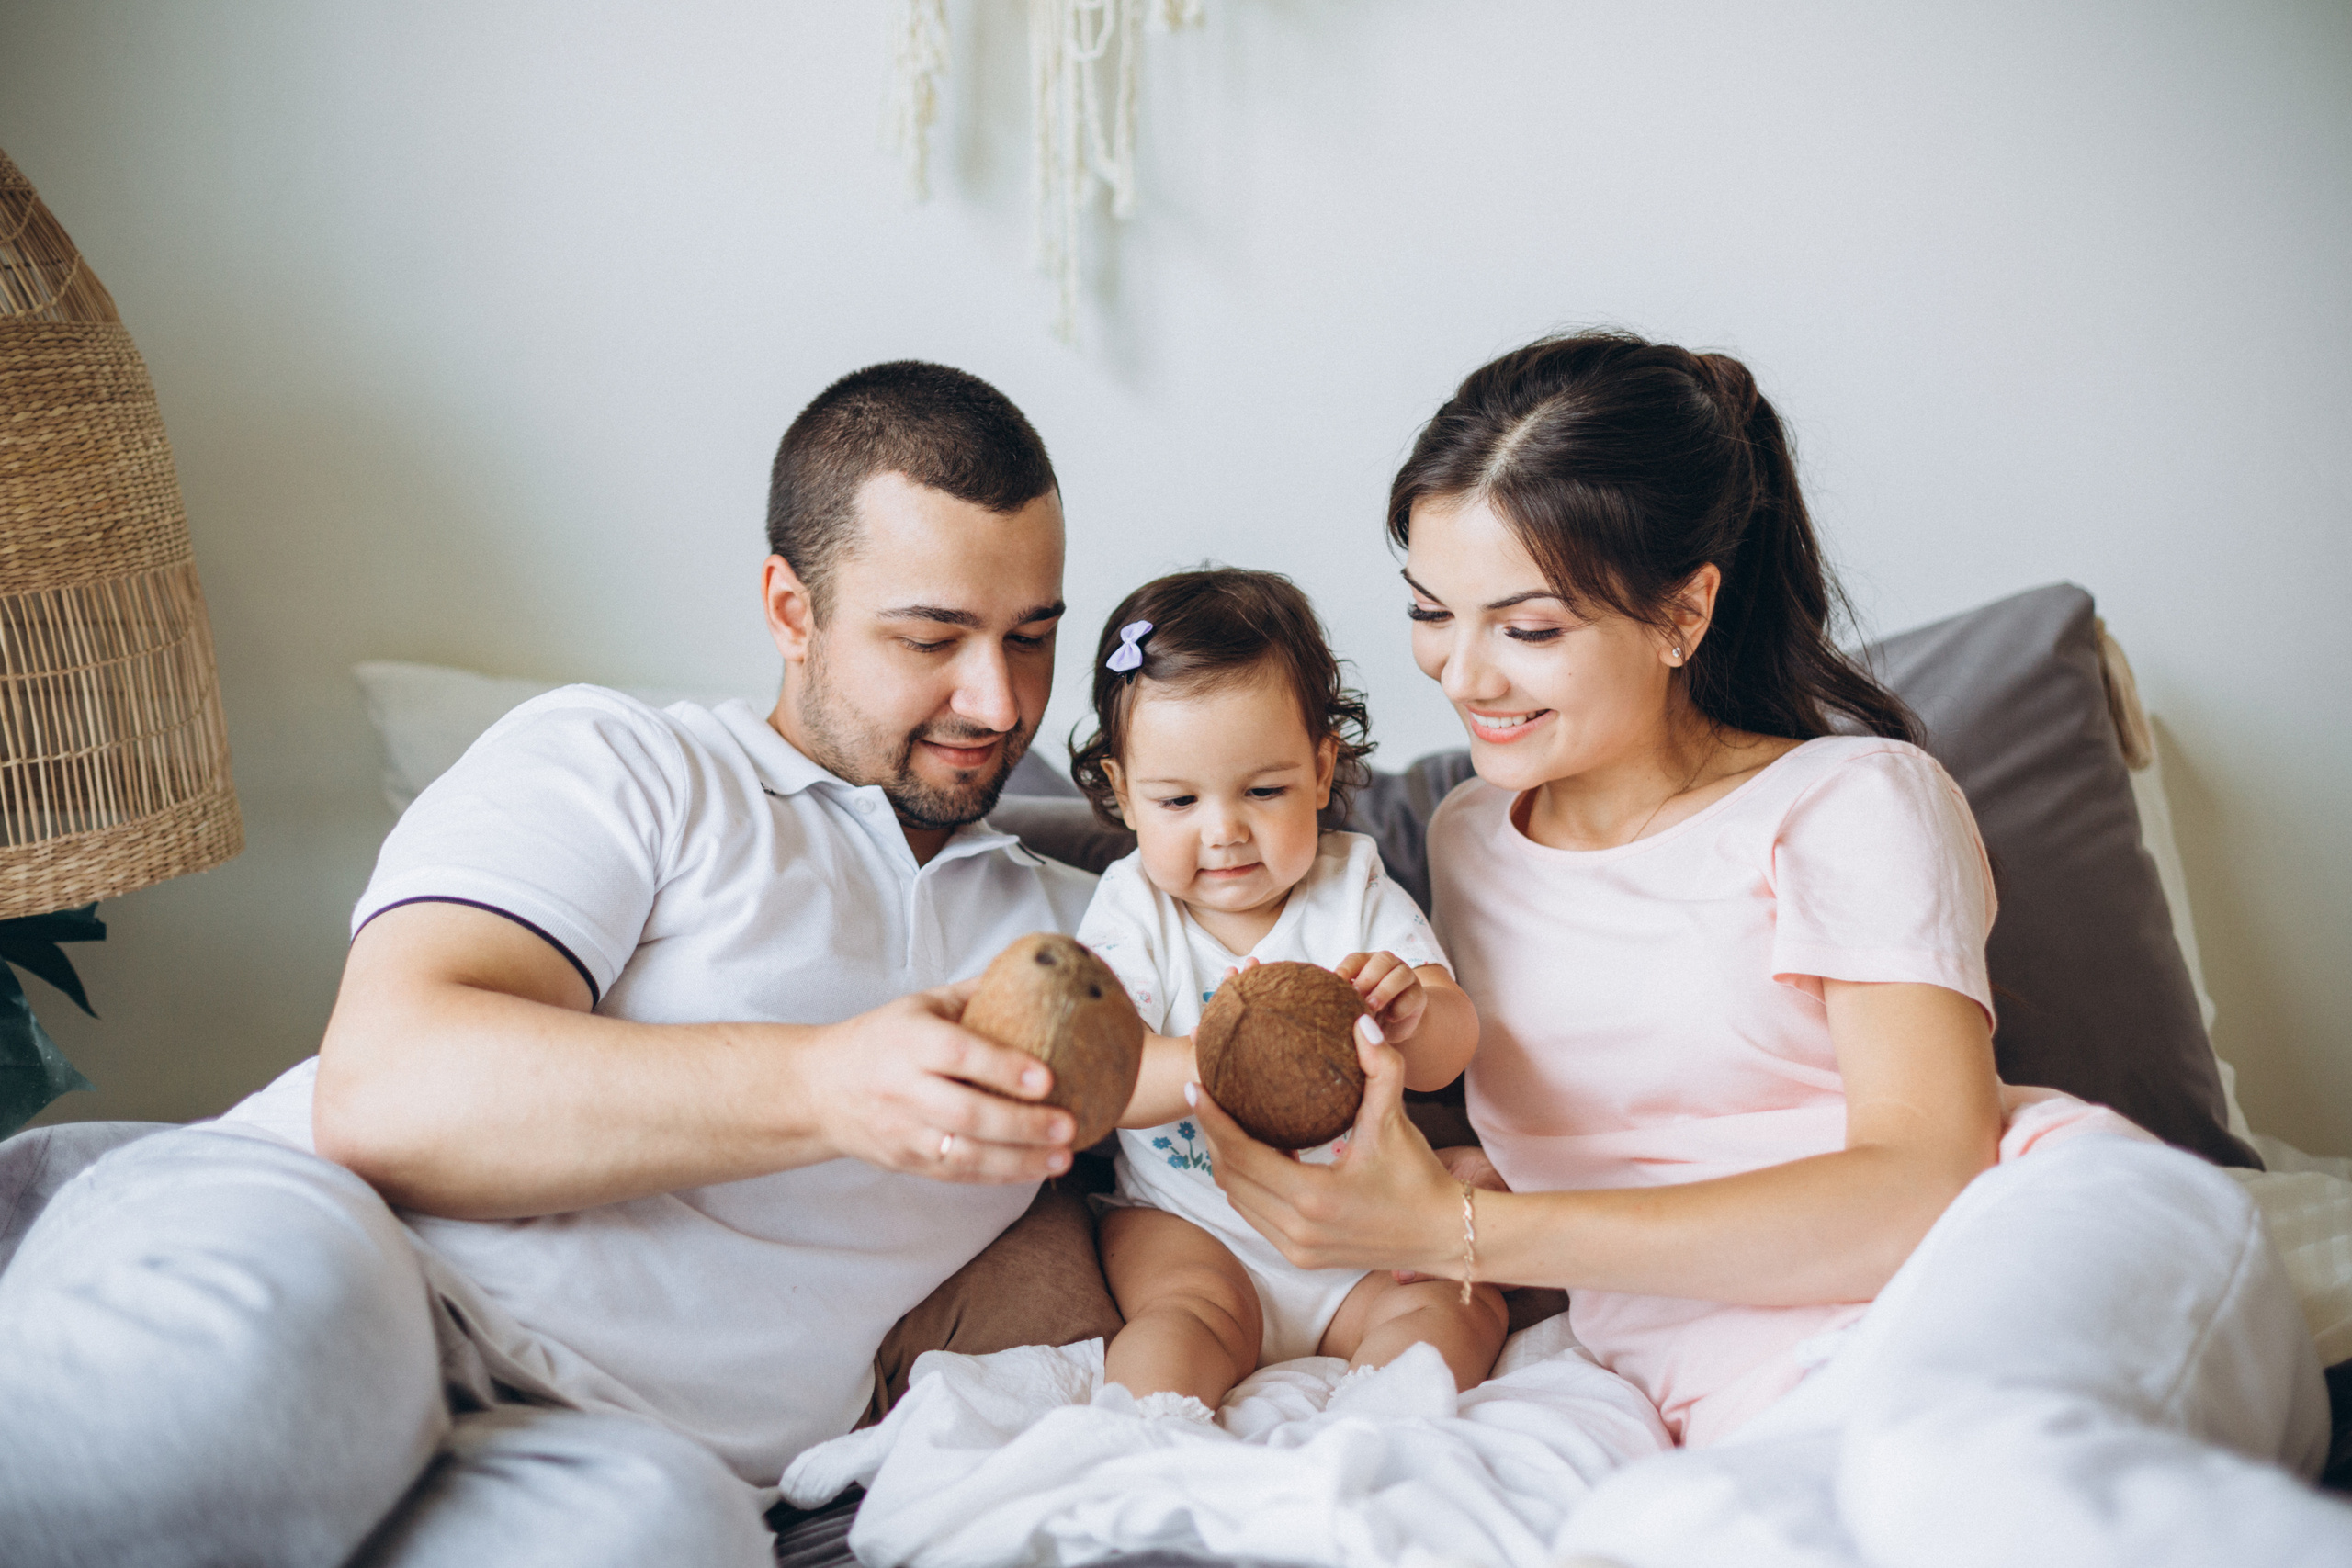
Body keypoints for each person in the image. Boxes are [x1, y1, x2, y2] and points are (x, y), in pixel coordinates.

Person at [1191, 332, 2346, 1563]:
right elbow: (1619, 1122)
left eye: (1527, 627)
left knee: (1961, 1468)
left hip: (2026, 1246)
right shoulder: (1470, 834)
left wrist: (1451, 1232)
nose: (1462, 672)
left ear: (1685, 607)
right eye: (1430, 610)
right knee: (1665, 1527)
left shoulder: (1856, 801)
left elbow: (1922, 1182)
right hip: (1751, 1394)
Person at [0, 361, 1104, 1568]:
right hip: (354, 1256)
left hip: (585, 1442)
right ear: (792, 611)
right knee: (293, 1368)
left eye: (1032, 637)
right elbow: (387, 1090)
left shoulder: (1086, 934)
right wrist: (830, 1086)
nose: (998, 699)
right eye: (933, 636)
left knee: (670, 1533)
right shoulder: (634, 764)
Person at [1066, 569, 1502, 1419]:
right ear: (1123, 794)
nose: (1224, 829)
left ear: (1321, 765)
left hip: (1364, 1230)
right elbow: (1102, 1074)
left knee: (1460, 1305)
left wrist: (1413, 1011)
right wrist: (1226, 1060)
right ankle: (1140, 1449)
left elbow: (1454, 1043)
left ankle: (1373, 1437)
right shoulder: (1132, 909)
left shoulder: (1354, 889)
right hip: (1194, 1225)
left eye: (1264, 790)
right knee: (1178, 1319)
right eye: (1179, 799)